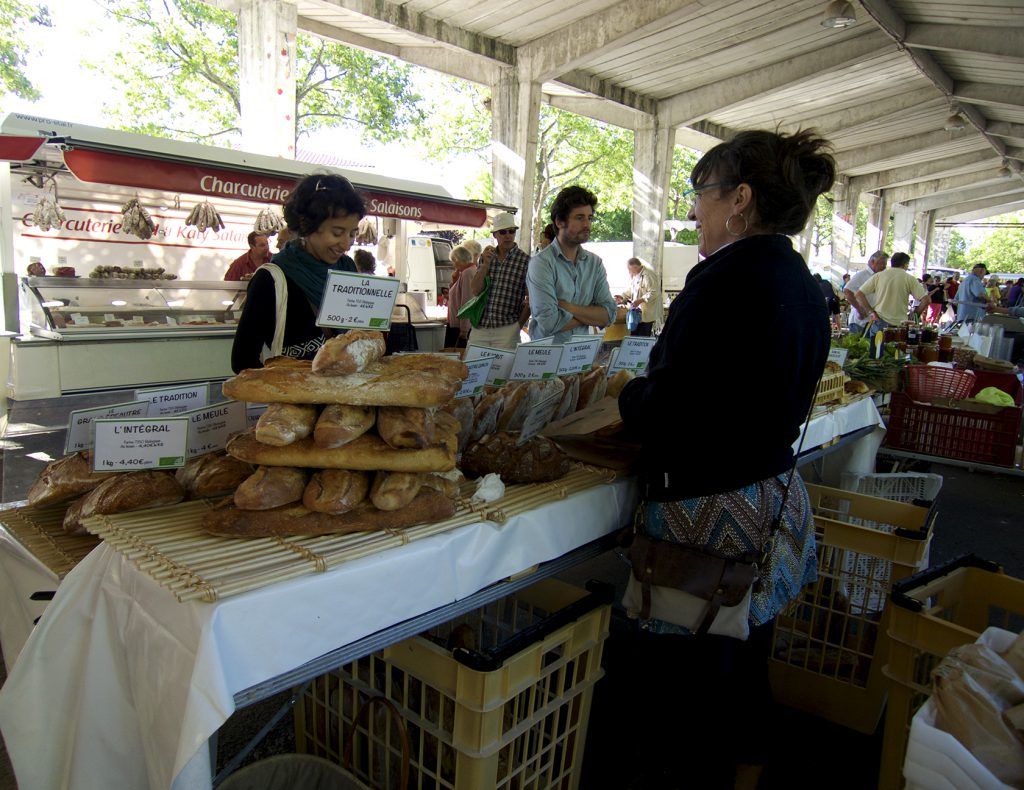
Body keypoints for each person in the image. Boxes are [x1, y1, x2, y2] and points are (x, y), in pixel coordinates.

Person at [616, 129, 833, 788]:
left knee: (692, 683)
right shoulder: (797, 278)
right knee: (741, 662)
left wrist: (630, 398)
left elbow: (673, 408)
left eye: (700, 196)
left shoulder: (724, 281)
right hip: (766, 499)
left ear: (739, 199)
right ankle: (745, 769)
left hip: (709, 515)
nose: (693, 213)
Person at [231, 174, 362, 372]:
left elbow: (361, 336)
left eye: (352, 233)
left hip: (351, 396)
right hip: (297, 399)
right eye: (337, 233)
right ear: (307, 226)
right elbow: (243, 360)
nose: (346, 244)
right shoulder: (271, 279)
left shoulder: (347, 268)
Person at [526, 186, 617, 343]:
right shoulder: (541, 263)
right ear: (560, 222)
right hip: (546, 360)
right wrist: (591, 316)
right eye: (580, 217)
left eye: (590, 218)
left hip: (580, 358)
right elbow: (549, 322)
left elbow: (609, 315)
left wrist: (569, 307)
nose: (587, 224)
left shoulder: (594, 263)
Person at [467, 212, 530, 350]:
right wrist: (485, 265)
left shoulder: (525, 261)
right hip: (480, 327)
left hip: (507, 328)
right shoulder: (486, 257)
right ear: (495, 235)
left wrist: (518, 326)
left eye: (511, 231)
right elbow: (476, 290)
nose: (508, 235)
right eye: (503, 232)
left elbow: (531, 298)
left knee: (504, 371)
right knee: (472, 369)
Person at [853, 251, 930, 336]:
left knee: (876, 348)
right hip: (900, 324)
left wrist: (871, 312)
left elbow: (859, 295)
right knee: (897, 348)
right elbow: (926, 300)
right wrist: (914, 315)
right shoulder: (909, 279)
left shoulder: (879, 276)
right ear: (905, 264)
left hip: (879, 320)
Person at [843, 250, 887, 334]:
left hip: (872, 321)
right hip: (859, 322)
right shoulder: (862, 275)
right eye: (882, 264)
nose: (884, 267)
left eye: (885, 264)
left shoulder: (879, 277)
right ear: (872, 262)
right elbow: (847, 291)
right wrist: (859, 309)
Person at [616, 257, 657, 336]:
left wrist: (640, 300)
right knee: (634, 336)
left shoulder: (648, 275)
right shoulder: (635, 276)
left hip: (646, 314)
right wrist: (622, 297)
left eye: (629, 269)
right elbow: (631, 291)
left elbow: (653, 292)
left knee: (643, 338)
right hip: (636, 313)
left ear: (635, 267)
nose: (629, 271)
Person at [445, 244, 476, 348]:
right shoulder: (465, 272)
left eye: (453, 261)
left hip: (459, 327)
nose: (453, 264)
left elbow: (467, 302)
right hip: (457, 324)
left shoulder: (468, 273)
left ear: (458, 259)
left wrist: (464, 330)